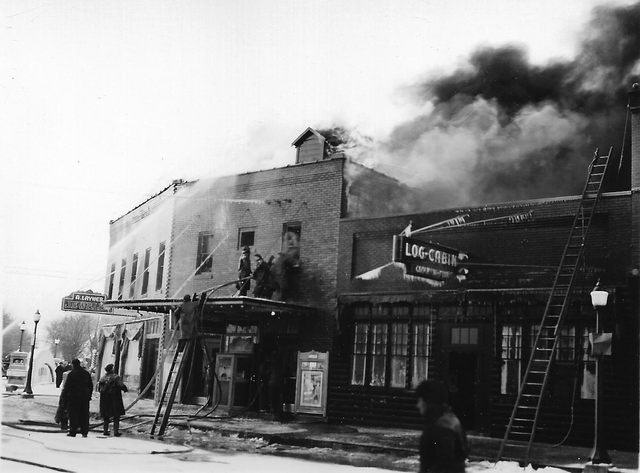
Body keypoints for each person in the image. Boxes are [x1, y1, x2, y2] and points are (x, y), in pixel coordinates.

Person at [415, 380, 468, 473]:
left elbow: (443, 466)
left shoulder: (440, 427)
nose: (418, 405)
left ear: (427, 402)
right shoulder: (451, 421)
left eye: (420, 400)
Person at [61, 358, 93, 437]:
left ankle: (73, 431)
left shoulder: (72, 374)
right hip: (84, 397)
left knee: (73, 414)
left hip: (73, 397)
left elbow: (67, 386)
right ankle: (84, 432)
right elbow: (90, 385)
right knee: (84, 414)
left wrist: (64, 397)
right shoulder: (86, 373)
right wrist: (89, 395)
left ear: (73, 364)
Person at [98, 363, 128, 436]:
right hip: (114, 398)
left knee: (106, 416)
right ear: (111, 369)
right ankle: (116, 432)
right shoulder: (116, 377)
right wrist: (125, 389)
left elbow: (99, 389)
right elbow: (121, 385)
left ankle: (105, 431)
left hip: (104, 399)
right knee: (116, 415)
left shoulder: (102, 378)